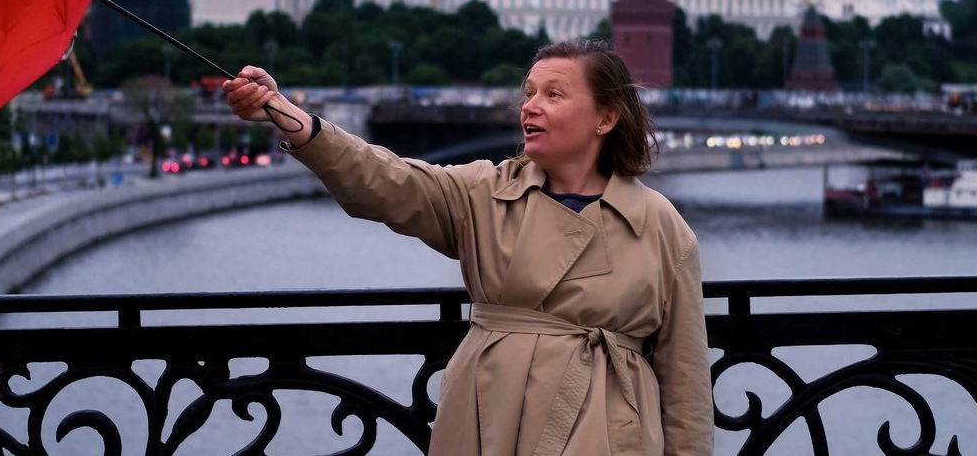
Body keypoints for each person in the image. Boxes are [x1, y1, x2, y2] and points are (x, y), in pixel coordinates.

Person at [222, 39, 713, 455]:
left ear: (605, 118)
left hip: (608, 431)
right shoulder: (483, 192)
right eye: (529, 93)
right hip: (489, 418)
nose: (530, 105)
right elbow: (385, 179)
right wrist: (286, 114)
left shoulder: (660, 225)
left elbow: (686, 379)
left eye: (554, 94)